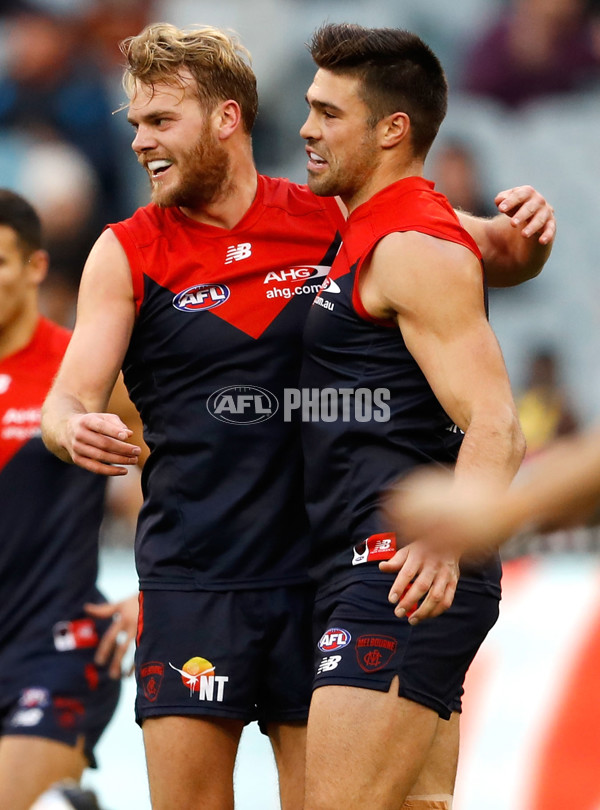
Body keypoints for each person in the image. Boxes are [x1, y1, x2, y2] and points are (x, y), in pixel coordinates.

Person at [39, 22, 556, 810]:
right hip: (194, 580)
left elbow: (483, 252)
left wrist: (531, 238)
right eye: (134, 124)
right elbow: (67, 398)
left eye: (159, 121)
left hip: (323, 577)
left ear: (226, 119)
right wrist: (71, 427)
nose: (140, 143)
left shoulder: (333, 216)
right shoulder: (128, 249)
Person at [298, 22, 529, 810]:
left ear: (393, 129)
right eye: (309, 107)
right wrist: (525, 245)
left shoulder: (411, 246)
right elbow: (502, 249)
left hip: (399, 569)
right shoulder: (381, 223)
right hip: (381, 566)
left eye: (330, 113)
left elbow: (499, 420)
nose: (305, 129)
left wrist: (442, 539)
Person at [0, 189, 143, 810]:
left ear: (34, 267)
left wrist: (158, 589)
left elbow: (190, 477)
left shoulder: (83, 370)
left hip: (54, 646)